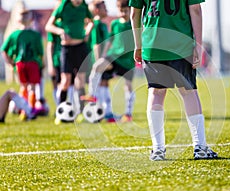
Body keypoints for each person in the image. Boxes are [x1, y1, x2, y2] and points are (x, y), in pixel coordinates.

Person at [130, 0, 218, 160]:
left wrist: (138, 45)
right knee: (188, 92)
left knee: (156, 92)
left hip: (153, 45)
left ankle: (158, 150)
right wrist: (198, 46)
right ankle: (200, 147)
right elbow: (196, 10)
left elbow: (134, 14)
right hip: (181, 45)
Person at [83, 0, 135, 123]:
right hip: (114, 56)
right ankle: (92, 94)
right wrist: (105, 54)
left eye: (126, 11)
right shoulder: (115, 23)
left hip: (128, 60)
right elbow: (110, 41)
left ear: (130, 10)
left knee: (128, 86)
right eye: (121, 11)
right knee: (98, 65)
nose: (123, 13)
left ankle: (128, 113)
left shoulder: (134, 24)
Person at [45, 0, 94, 118]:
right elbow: (48, 26)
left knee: (80, 81)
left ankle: (81, 112)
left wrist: (87, 32)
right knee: (65, 81)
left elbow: (91, 21)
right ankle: (60, 112)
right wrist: (60, 31)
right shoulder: (63, 6)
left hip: (81, 47)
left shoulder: (84, 6)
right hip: (67, 49)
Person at [1, 9, 44, 110]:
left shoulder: (14, 34)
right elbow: (40, 53)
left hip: (20, 64)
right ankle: (31, 110)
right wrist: (42, 64)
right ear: (32, 20)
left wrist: (10, 62)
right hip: (33, 63)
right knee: (32, 88)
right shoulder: (35, 35)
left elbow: (4, 50)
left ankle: (23, 109)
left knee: (23, 87)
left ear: (18, 20)